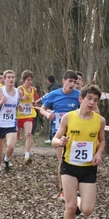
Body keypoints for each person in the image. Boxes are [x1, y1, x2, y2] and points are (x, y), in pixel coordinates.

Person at [52, 84, 105, 219]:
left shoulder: (100, 121)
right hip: (69, 167)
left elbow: (102, 140)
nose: (92, 103)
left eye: (95, 100)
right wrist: (60, 142)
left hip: (88, 168)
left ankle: (77, 198)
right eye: (89, 98)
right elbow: (55, 139)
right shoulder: (68, 117)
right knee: (70, 207)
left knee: (88, 210)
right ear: (81, 99)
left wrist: (99, 153)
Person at [40, 70, 80, 202]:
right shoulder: (54, 94)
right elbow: (42, 109)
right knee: (62, 161)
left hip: (75, 133)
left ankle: (75, 189)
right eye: (70, 81)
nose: (72, 84)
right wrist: (47, 115)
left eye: (74, 82)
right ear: (63, 80)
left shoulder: (78, 95)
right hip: (58, 132)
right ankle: (63, 191)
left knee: (75, 160)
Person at [0, 70, 23, 178]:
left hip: (11, 123)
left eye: (13, 77)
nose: (11, 79)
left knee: (11, 146)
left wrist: (20, 107)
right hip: (0, 124)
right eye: (8, 77)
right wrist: (1, 102)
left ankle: (6, 159)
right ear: (4, 79)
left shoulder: (19, 92)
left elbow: (18, 103)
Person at [16, 70, 37, 164]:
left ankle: (27, 155)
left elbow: (32, 99)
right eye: (28, 80)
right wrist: (21, 98)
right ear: (24, 80)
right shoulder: (19, 89)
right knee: (17, 137)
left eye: (31, 80)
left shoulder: (33, 89)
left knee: (28, 134)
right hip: (19, 115)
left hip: (28, 115)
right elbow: (13, 100)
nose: (30, 82)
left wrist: (33, 102)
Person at [44, 75, 63, 144]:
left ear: (48, 81)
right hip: (55, 109)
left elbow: (51, 99)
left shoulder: (53, 88)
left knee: (54, 124)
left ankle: (52, 138)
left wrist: (49, 107)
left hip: (55, 109)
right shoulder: (57, 85)